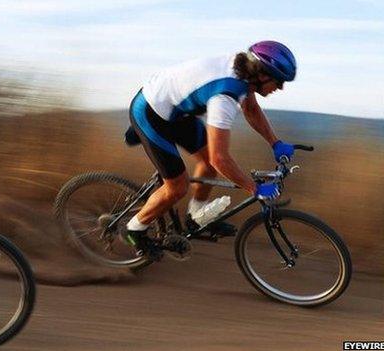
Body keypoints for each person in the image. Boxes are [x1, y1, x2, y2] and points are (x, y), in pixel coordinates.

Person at [124, 40, 297, 254]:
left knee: (207, 165)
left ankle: (195, 217)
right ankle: (134, 229)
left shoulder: (243, 72)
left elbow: (251, 109)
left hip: (178, 111)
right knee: (178, 186)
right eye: (279, 82)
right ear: (262, 75)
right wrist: (254, 188)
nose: (280, 88)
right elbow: (220, 158)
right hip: (151, 113)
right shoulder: (224, 97)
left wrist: (275, 143)